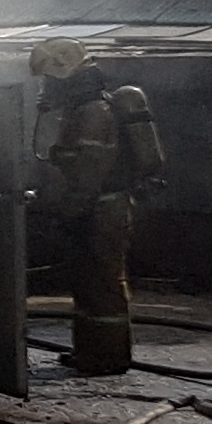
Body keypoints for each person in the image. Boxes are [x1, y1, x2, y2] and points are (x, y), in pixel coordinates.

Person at [28, 37, 166, 377]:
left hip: (102, 209)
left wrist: (68, 211)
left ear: (66, 76)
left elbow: (88, 174)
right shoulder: (83, 111)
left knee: (103, 284)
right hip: (96, 207)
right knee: (87, 281)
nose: (47, 87)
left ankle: (109, 358)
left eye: (50, 79)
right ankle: (90, 352)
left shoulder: (93, 114)